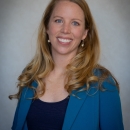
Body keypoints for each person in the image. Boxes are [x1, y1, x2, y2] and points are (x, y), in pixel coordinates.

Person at [9, 0, 124, 130]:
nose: (65, 30)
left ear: (85, 33)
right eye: (58, 20)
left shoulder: (102, 82)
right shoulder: (30, 75)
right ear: (47, 26)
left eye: (75, 23)